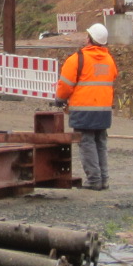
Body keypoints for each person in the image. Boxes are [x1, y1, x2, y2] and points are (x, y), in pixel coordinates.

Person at [54, 22, 118, 191]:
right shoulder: (109, 60)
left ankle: (94, 180)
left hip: (84, 109)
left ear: (89, 39)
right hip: (103, 110)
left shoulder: (77, 59)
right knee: (100, 143)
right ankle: (103, 179)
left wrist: (59, 99)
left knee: (86, 142)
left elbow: (65, 85)